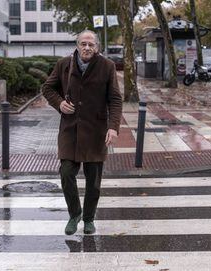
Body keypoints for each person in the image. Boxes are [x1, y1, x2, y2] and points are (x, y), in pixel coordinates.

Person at [42, 30, 122, 235]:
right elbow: (47, 88)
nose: (87, 48)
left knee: (93, 181)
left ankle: (88, 219)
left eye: (91, 45)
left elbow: (114, 99)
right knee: (67, 173)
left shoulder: (107, 66)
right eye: (83, 44)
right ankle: (74, 214)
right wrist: (59, 104)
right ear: (77, 45)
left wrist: (113, 127)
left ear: (97, 47)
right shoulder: (64, 65)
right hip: (70, 129)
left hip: (96, 130)